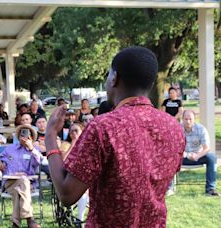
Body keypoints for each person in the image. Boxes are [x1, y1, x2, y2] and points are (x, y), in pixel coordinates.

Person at [45, 46, 186, 226]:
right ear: (150, 84)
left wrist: (50, 136)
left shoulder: (103, 127)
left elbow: (67, 194)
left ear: (114, 78)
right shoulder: (174, 128)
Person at [0, 124, 42, 228]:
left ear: (31, 136)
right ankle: (30, 219)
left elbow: (38, 162)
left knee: (21, 186)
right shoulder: (10, 149)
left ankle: (15, 223)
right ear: (18, 136)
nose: (24, 136)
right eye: (22, 133)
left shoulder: (34, 150)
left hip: (28, 183)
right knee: (22, 184)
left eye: (26, 134)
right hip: (10, 182)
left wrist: (31, 148)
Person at [181, 110, 218, 196]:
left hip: (198, 156)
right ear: (182, 119)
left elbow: (207, 148)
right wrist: (187, 155)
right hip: (182, 157)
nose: (188, 121)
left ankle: (210, 189)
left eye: (190, 119)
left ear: (194, 119)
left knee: (211, 157)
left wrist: (197, 156)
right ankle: (169, 189)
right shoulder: (177, 129)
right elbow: (175, 147)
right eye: (186, 119)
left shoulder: (201, 129)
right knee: (170, 156)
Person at [59, 123, 88, 222]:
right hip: (70, 174)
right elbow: (64, 160)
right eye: (71, 131)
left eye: (76, 130)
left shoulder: (87, 145)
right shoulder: (65, 144)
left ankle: (80, 218)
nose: (73, 133)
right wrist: (73, 143)